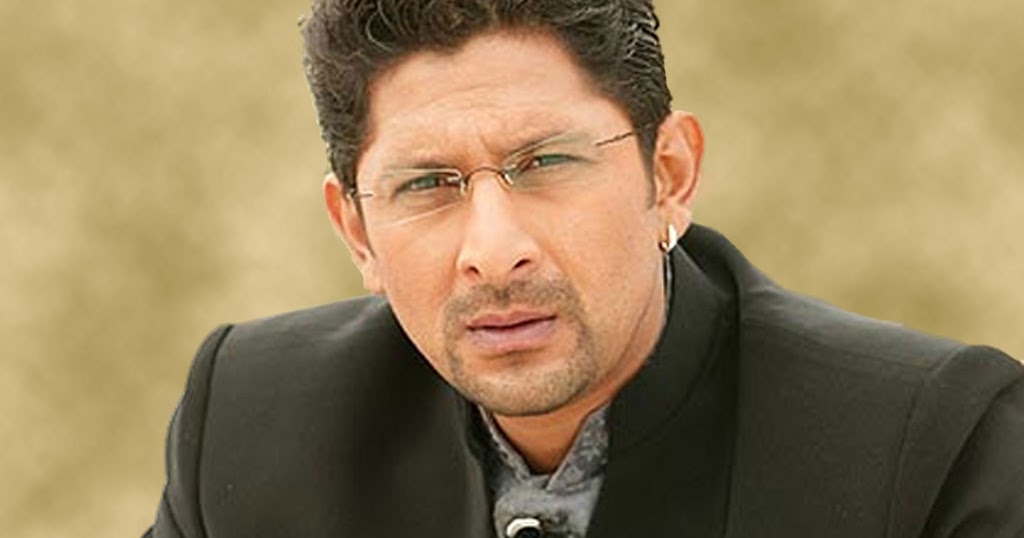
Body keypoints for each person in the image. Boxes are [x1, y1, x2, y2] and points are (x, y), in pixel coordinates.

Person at [143, 1, 1024, 537]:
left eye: (546, 163)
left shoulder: (929, 449)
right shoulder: (249, 423)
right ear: (358, 234)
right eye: (427, 184)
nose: (494, 251)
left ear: (668, 175)